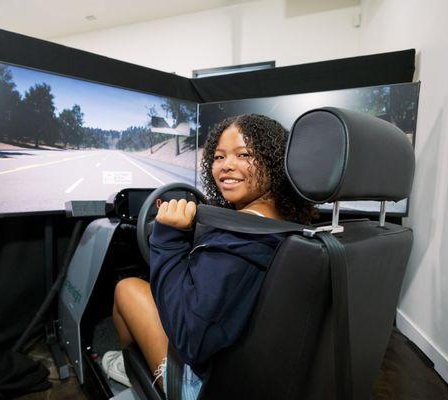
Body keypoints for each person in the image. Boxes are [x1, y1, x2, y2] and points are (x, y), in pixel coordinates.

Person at [104, 114, 317, 398]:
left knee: (126, 288)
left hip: (205, 386)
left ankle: (133, 369)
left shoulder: (240, 241)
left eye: (244, 154)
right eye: (218, 157)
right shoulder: (290, 227)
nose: (226, 165)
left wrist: (167, 239)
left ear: (274, 161)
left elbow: (190, 338)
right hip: (259, 373)